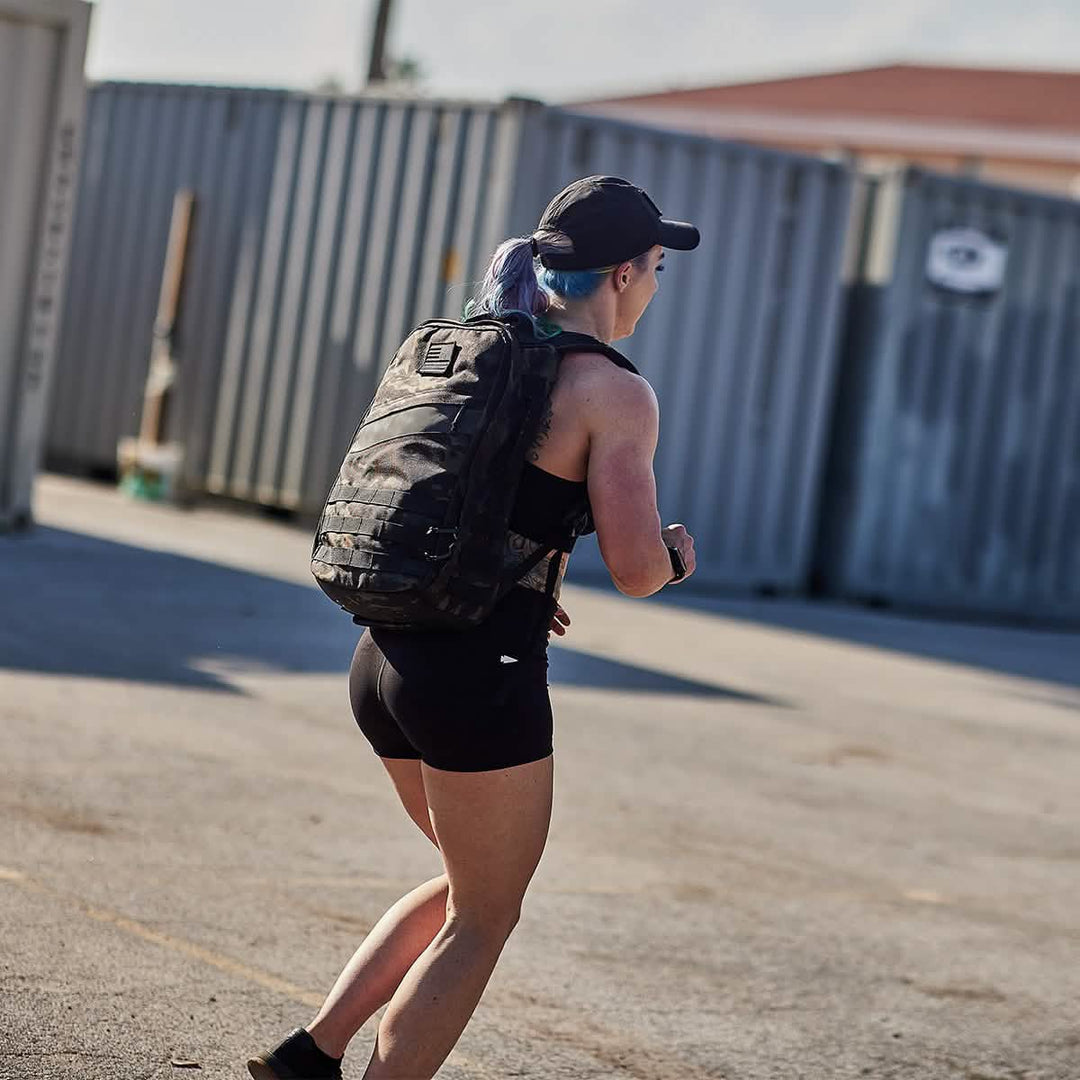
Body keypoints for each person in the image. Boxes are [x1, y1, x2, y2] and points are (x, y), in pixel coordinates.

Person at [247, 175, 700, 1080]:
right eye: (654, 268)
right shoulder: (614, 393)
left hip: (385, 656)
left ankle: (311, 1054)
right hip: (474, 679)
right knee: (486, 917)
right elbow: (639, 568)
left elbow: (484, 499)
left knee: (469, 886)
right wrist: (679, 552)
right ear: (619, 276)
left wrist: (522, 573)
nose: (654, 286)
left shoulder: (478, 351)